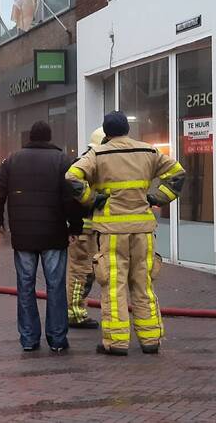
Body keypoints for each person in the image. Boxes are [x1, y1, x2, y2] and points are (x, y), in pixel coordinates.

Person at [66, 111, 185, 356]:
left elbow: (72, 178)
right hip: (142, 230)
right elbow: (178, 174)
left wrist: (91, 200)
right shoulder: (148, 152)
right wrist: (156, 198)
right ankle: (151, 339)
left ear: (106, 132)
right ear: (127, 130)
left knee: (113, 286)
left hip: (111, 232)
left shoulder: (97, 154)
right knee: (144, 285)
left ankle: (116, 342)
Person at [0, 121, 83, 353]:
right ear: (49, 138)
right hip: (54, 234)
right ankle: (57, 339)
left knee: (26, 286)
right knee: (55, 286)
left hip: (23, 235)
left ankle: (29, 339)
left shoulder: (12, 160)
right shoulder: (62, 161)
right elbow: (72, 196)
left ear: (29, 137)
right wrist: (75, 225)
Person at [66, 128, 104, 330]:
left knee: (87, 272)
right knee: (81, 272)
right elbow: (74, 200)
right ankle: (75, 314)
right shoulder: (84, 167)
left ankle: (76, 311)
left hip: (90, 230)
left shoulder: (86, 164)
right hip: (83, 232)